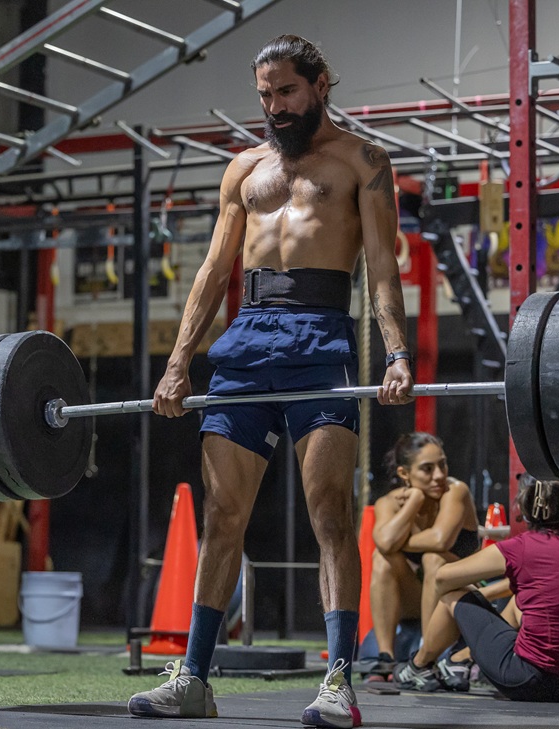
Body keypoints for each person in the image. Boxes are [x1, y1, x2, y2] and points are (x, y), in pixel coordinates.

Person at [126, 34, 414, 728]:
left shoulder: (364, 161)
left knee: (330, 515)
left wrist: (398, 354)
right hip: (247, 340)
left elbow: (382, 268)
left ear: (320, 85)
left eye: (286, 91)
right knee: (223, 514)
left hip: (321, 336)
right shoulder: (244, 169)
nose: (275, 107)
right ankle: (194, 680)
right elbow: (212, 271)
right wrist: (178, 362)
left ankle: (338, 681)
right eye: (265, 95)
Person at [394, 478, 559, 702]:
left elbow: (442, 578)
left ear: (524, 504)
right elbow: (540, 586)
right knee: (522, 601)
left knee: (453, 595)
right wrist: (485, 595)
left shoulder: (523, 547)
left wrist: (474, 594)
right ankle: (459, 661)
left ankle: (418, 665)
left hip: (536, 680)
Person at [366, 432, 480, 683]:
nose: (439, 475)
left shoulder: (455, 491)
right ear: (404, 473)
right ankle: (386, 658)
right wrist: (414, 501)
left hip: (458, 598)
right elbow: (384, 545)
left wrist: (400, 541)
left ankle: (425, 660)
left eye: (442, 464)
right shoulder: (391, 502)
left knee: (433, 559)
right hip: (416, 600)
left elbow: (440, 540)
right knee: (382, 559)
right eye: (427, 469)